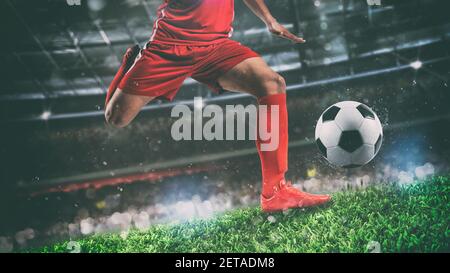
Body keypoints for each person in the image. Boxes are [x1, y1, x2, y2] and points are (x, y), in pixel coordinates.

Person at [104, 0, 331, 212]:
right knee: (116, 118)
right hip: (171, 46)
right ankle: (130, 65)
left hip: (215, 45)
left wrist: (269, 20)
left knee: (272, 84)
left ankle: (275, 192)